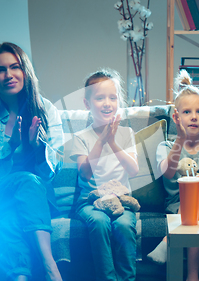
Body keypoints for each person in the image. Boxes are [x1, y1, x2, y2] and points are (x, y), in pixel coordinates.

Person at [0, 42, 63, 281]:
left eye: (15, 67)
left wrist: (39, 148)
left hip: (38, 197)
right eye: (0, 70)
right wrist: (10, 146)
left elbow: (54, 169)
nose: (8, 75)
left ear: (25, 71)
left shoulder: (46, 110)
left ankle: (20, 276)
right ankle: (50, 265)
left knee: (10, 217)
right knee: (23, 183)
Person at [147, 70, 199, 281]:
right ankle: (192, 276)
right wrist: (179, 141)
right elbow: (168, 171)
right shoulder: (166, 145)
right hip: (179, 205)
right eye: (187, 112)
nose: (194, 116)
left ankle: (169, 239)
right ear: (176, 117)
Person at [70, 69, 139, 281]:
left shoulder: (127, 133)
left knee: (124, 225)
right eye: (99, 98)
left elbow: (134, 170)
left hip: (122, 201)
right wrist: (100, 141)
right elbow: (85, 174)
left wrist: (112, 141)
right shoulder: (80, 137)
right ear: (87, 104)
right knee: (99, 223)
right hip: (89, 202)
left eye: (112, 97)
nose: (107, 103)